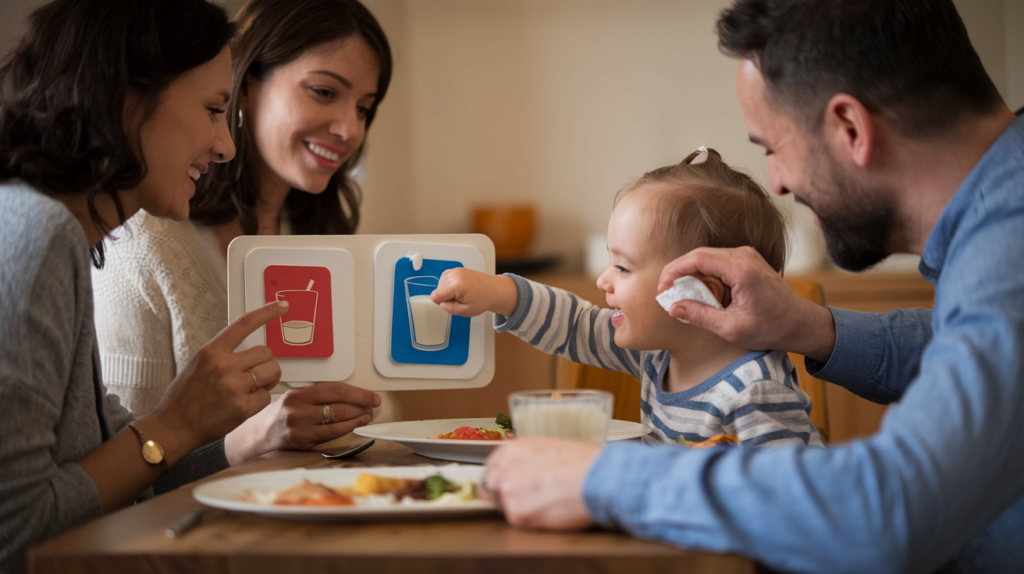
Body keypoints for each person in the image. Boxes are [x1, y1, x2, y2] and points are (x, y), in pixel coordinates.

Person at [478, 1, 1024, 573]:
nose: (778, 183)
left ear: (850, 129)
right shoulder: (997, 220)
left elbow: (886, 511)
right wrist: (809, 326)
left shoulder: (1008, 247)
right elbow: (955, 350)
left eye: (773, 149)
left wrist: (595, 479)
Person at [0, 0, 366, 570]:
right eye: (214, 109)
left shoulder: (65, 238)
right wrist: (176, 422)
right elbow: (16, 534)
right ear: (128, 98)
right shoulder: (35, 231)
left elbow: (128, 480)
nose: (225, 146)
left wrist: (257, 433)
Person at [91, 0, 395, 459]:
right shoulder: (145, 245)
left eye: (365, 109)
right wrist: (259, 435)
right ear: (246, 84)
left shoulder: (319, 237)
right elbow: (124, 461)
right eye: (325, 92)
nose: (349, 129)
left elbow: (381, 409)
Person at [433, 148, 823, 449]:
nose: (604, 280)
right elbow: (574, 326)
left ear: (701, 288)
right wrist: (497, 292)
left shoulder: (755, 389)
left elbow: (785, 503)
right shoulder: (659, 355)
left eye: (623, 267)